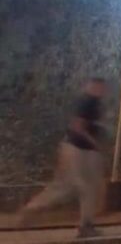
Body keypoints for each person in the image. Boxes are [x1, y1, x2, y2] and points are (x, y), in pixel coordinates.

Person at [19, 77, 108, 238]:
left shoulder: (93, 103)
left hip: (82, 150)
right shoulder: (86, 102)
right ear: (91, 86)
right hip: (76, 149)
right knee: (75, 187)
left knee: (80, 187)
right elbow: (77, 127)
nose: (101, 90)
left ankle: (85, 224)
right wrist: (94, 142)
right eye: (99, 87)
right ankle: (33, 209)